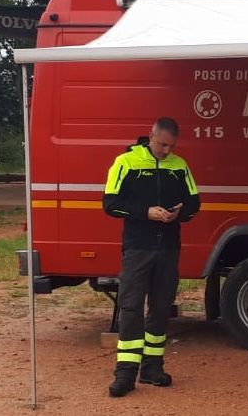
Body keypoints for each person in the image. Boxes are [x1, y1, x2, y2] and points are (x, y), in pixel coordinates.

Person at [101, 117, 201, 398]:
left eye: (171, 146)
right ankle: (125, 374)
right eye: (162, 144)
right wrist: (146, 213)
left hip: (169, 248)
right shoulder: (126, 162)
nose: (166, 151)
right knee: (131, 308)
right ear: (151, 136)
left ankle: (153, 368)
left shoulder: (179, 166)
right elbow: (110, 204)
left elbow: (195, 203)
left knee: (160, 308)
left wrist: (182, 212)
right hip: (137, 248)